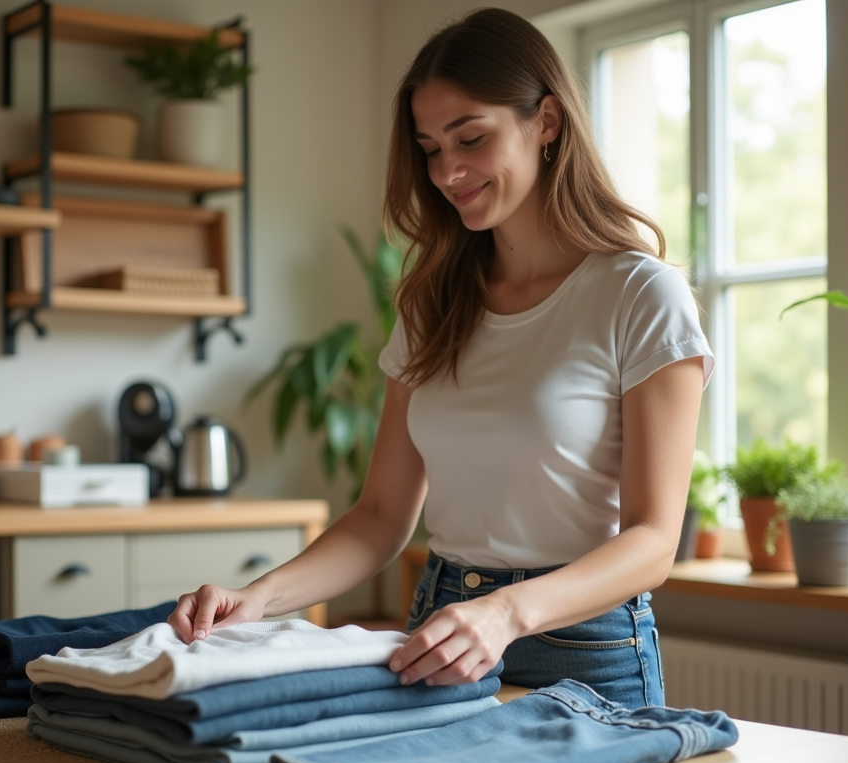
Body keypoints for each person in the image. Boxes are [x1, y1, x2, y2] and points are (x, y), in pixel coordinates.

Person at [170, 7, 714, 710]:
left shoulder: (641, 294)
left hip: (583, 645)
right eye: (430, 148)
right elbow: (380, 517)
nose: (448, 170)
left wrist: (509, 613)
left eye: (471, 138)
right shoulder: (431, 302)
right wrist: (258, 596)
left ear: (546, 121)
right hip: (443, 624)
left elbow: (652, 539)